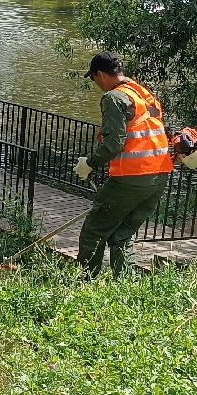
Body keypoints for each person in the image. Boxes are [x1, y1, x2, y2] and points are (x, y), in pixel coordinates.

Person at [72, 52, 172, 277]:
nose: (96, 84)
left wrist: (89, 163)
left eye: (93, 78)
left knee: (94, 231)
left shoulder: (114, 98)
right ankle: (125, 283)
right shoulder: (143, 93)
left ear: (100, 74)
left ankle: (85, 281)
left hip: (131, 177)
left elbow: (114, 144)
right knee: (123, 233)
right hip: (159, 175)